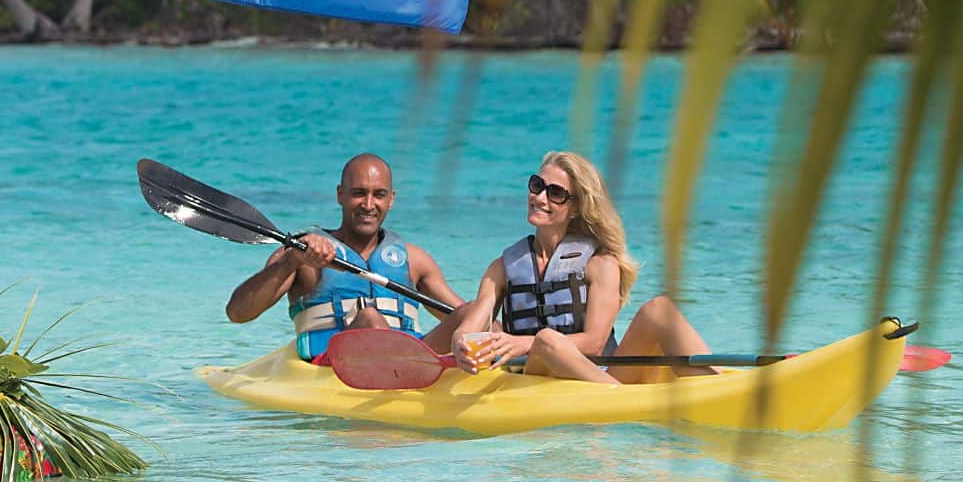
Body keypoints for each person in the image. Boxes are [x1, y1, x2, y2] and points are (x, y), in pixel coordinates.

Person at [447, 149, 714, 383]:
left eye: (555, 193)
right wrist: (460, 342)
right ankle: (622, 403)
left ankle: (719, 384)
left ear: (575, 208)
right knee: (547, 341)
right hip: (536, 380)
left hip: (598, 376)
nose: (540, 197)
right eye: (536, 185)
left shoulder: (600, 263)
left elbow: (595, 343)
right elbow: (473, 323)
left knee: (660, 309)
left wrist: (525, 343)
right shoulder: (503, 267)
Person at [225, 153, 463, 361]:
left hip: (412, 358)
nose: (368, 205)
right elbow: (238, 313)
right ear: (341, 195)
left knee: (474, 313)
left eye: (378, 195)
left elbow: (465, 318)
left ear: (391, 199)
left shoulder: (414, 259)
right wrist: (291, 261)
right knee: (369, 318)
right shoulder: (302, 253)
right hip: (335, 363)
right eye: (359, 193)